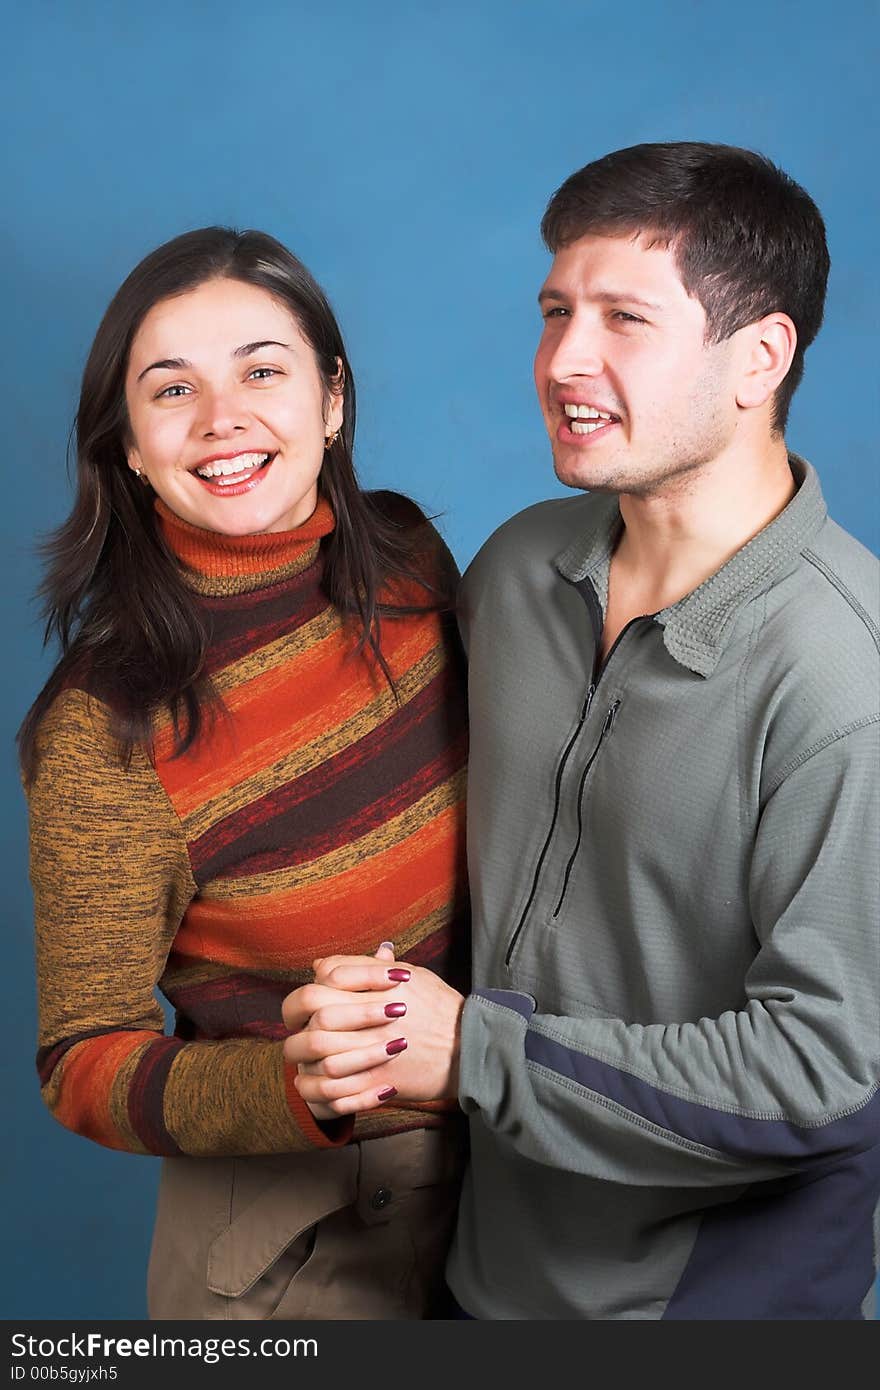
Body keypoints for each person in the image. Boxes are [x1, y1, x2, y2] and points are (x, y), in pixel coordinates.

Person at [285, 143, 880, 1320]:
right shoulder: (514, 570)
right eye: (555, 310)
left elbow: (825, 1080)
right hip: (478, 1270)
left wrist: (476, 1057)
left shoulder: (843, 676)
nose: (563, 360)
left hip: (704, 1307)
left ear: (759, 357)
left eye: (623, 318)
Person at [19, 227, 469, 1320]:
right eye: (171, 389)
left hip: (505, 1186)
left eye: (262, 370)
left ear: (331, 398)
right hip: (291, 1254)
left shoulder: (409, 563)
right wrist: (294, 1084)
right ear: (127, 442)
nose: (223, 420)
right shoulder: (108, 727)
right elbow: (82, 1062)